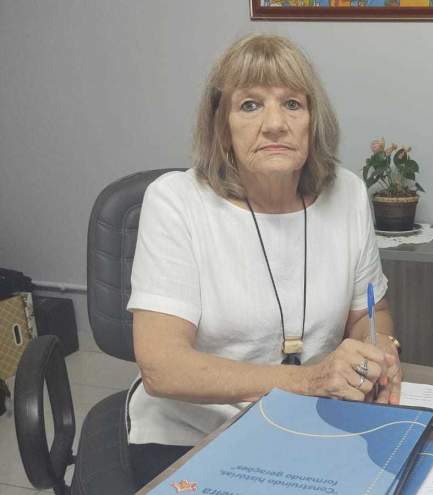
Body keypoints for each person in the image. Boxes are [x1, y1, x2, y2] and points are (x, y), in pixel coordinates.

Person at [126, 33, 402, 488]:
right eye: (250, 105)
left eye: (292, 104)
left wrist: (375, 353)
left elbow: (371, 313)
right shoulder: (176, 201)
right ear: (221, 127)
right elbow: (162, 366)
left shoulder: (348, 193)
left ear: (314, 121)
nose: (275, 124)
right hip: (192, 434)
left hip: (313, 423)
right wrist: (311, 380)